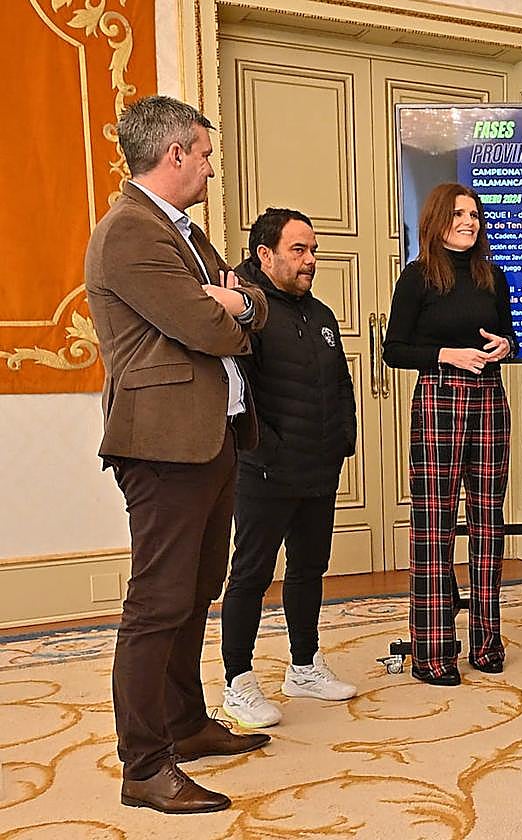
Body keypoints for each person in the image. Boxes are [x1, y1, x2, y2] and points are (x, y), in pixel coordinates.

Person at [83, 95, 270, 814]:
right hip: (162, 443)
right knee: (157, 603)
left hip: (211, 436)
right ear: (175, 154)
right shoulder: (131, 231)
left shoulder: (182, 232)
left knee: (196, 590)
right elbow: (208, 327)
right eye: (206, 153)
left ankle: (185, 724)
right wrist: (224, 307)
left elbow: (250, 302)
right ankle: (143, 765)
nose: (211, 167)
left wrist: (236, 301)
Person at [219, 208, 358, 728]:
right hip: (265, 470)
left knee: (309, 568)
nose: (310, 260)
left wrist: (343, 439)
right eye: (298, 250)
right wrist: (268, 450)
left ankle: (304, 666)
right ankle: (238, 682)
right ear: (265, 254)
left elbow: (340, 383)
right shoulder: (245, 311)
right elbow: (238, 391)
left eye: (313, 250)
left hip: (319, 466)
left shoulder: (320, 314)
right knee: (251, 575)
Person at [382, 182, 519, 687]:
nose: (469, 222)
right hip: (439, 398)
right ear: (437, 220)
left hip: (489, 399)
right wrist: (447, 355)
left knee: (488, 524)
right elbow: (393, 350)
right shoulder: (417, 277)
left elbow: (510, 336)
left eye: (475, 215)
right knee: (434, 527)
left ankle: (486, 643)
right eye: (459, 214)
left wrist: (505, 346)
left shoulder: (492, 277)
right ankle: (432, 652)